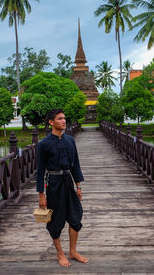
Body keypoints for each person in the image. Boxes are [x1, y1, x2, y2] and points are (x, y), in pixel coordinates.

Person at [37, 108, 88, 267]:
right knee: (55, 221)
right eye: (59, 119)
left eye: (64, 118)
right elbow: (40, 171)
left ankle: (73, 251)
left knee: (76, 216)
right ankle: (60, 253)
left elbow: (75, 165)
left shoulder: (70, 140)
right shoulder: (43, 144)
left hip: (68, 182)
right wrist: (41, 195)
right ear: (51, 122)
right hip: (53, 184)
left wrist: (78, 185)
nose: (63, 121)